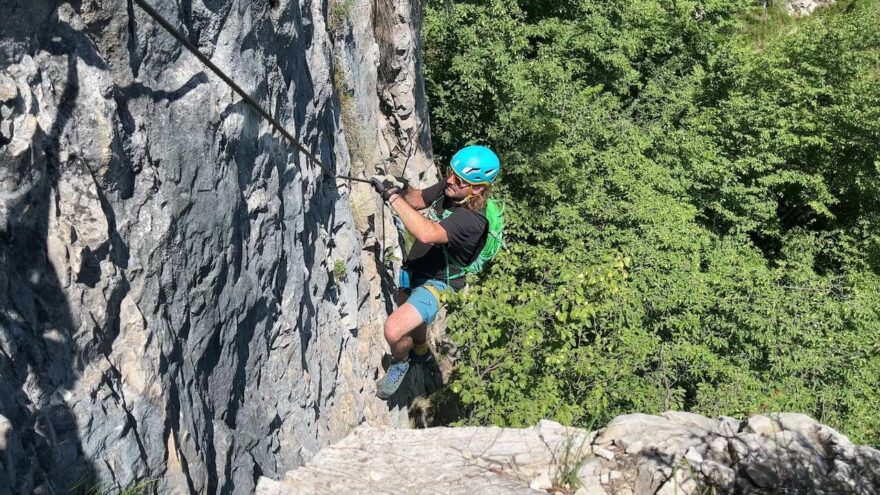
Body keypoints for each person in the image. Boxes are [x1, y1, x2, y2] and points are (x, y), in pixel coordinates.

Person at [370, 145, 500, 399]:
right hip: (416, 267)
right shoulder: (454, 187)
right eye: (451, 173)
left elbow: (427, 233)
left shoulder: (473, 221)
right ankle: (420, 351)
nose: (449, 180)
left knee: (395, 329)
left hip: (440, 282)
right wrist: (400, 189)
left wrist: (392, 197)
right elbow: (419, 199)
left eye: (458, 180)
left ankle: (401, 363)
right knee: (413, 318)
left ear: (477, 189)